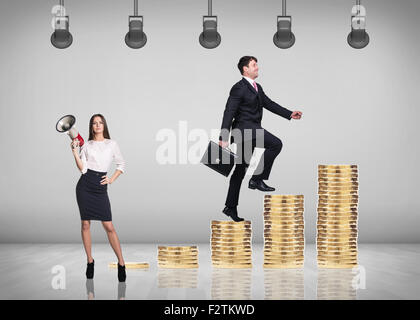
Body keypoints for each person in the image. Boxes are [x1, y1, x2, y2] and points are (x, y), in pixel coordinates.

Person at [219, 56, 302, 222]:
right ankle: (257, 179)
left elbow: (269, 104)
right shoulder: (238, 88)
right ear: (245, 69)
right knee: (276, 144)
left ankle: (230, 207)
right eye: (254, 65)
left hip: (251, 130)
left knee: (240, 170)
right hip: (245, 130)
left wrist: (289, 113)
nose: (257, 67)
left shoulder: (257, 87)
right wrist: (224, 136)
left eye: (256, 64)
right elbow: (229, 111)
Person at [71, 114, 127, 282]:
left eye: (100, 122)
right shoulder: (86, 145)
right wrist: (75, 152)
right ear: (91, 127)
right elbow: (83, 169)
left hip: (100, 187)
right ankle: (90, 261)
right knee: (85, 224)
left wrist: (111, 179)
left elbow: (121, 164)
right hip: (85, 186)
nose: (98, 125)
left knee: (109, 226)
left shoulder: (112, 144)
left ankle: (121, 263)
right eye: (94, 123)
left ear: (104, 125)